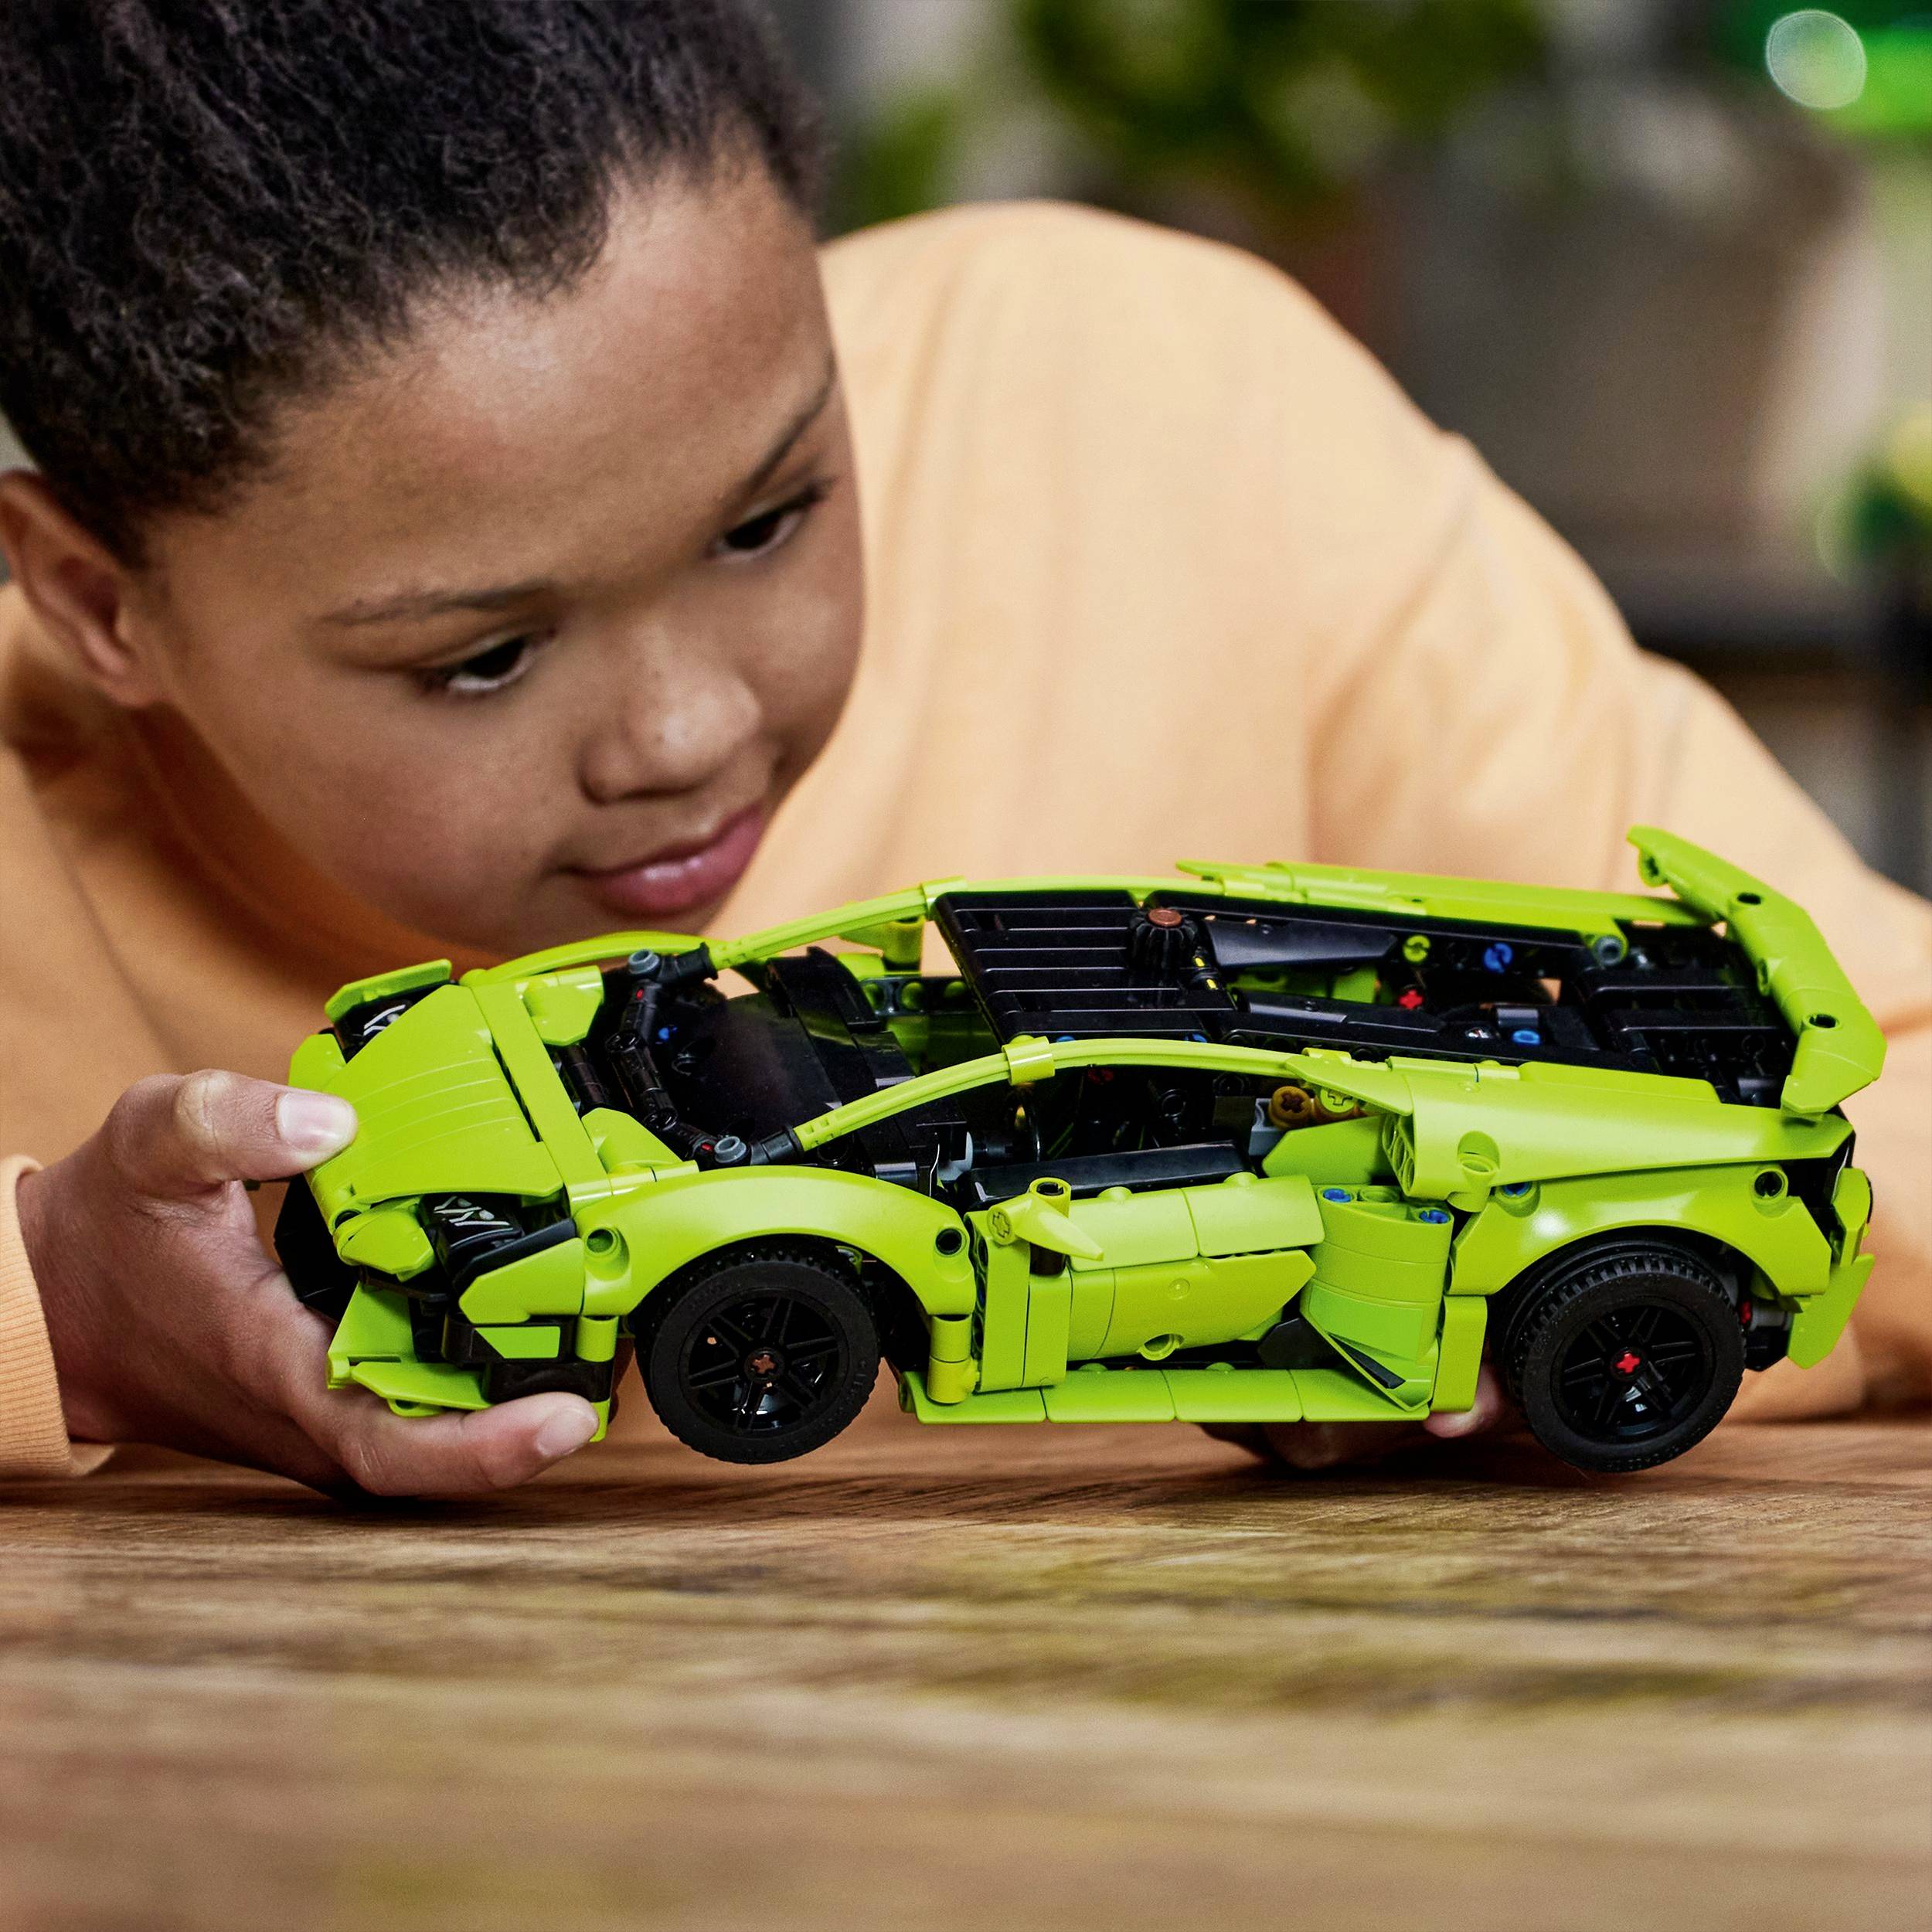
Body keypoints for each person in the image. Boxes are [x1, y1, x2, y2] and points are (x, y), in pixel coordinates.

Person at [0, 1, 1924, 1496]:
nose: (689, 730)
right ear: (96, 600)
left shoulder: (1151, 397)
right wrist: (54, 1307)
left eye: (770, 518)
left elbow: (1888, 1077)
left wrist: (1563, 1349)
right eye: (482, 656)